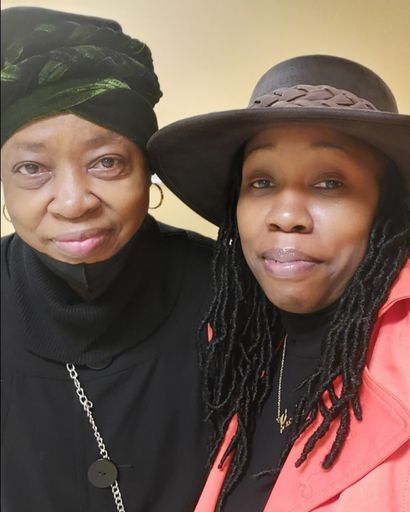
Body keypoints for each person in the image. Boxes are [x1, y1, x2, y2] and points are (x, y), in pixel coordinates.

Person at [148, 55, 410, 511]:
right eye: (262, 181)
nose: (286, 216)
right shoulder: (241, 354)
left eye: (330, 183)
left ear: (385, 208)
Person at [1, 7, 212, 512]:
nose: (74, 203)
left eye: (107, 162)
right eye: (31, 168)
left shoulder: (229, 287)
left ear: (147, 169)